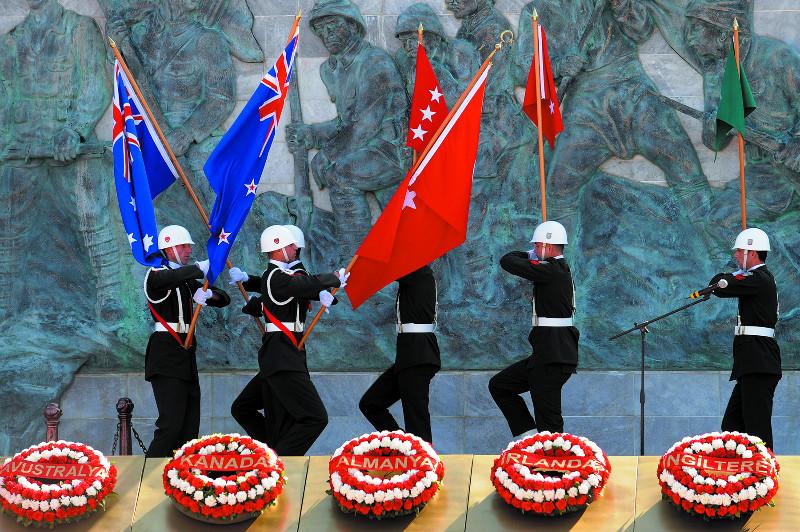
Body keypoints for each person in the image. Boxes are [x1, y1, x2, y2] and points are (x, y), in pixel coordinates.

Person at [229, 225, 347, 454]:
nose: (295, 249)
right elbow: (298, 285)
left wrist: (323, 292)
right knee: (315, 417)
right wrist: (332, 278)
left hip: (285, 355)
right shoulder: (275, 276)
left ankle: (272, 453)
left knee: (279, 422)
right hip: (282, 357)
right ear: (278, 248)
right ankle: (279, 459)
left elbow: (303, 285)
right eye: (291, 245)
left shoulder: (281, 276)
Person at [144, 225, 230, 457]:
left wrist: (210, 294)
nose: (188, 250)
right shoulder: (157, 275)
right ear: (169, 248)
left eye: (188, 246)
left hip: (185, 354)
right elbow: (170, 277)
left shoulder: (185, 280)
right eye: (183, 246)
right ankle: (146, 481)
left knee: (189, 428)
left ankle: (181, 479)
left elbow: (224, 299)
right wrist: (198, 268)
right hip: (166, 353)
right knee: (170, 425)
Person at [488, 221, 578, 436]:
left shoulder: (551, 270)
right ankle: (528, 437)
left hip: (553, 356)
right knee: (500, 386)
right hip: (545, 355)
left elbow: (507, 260)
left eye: (538, 245)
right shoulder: (552, 270)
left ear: (548, 246)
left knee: (548, 418)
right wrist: (536, 254)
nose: (535, 250)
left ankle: (555, 465)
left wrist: (530, 255)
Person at [707, 228, 781, 449]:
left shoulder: (758, 279)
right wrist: (738, 275)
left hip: (759, 362)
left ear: (753, 253)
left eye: (740, 251)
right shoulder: (754, 279)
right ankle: (741, 474)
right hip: (752, 362)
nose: (736, 256)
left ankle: (763, 478)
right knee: (732, 424)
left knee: (757, 430)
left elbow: (719, 285)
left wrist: (733, 276)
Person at [359, 266, 440, 443]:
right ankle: (404, 445)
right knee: (371, 404)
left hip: (418, 354)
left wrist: (349, 275)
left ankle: (422, 461)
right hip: (409, 354)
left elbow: (385, 272)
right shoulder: (416, 274)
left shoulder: (419, 271)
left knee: (416, 419)